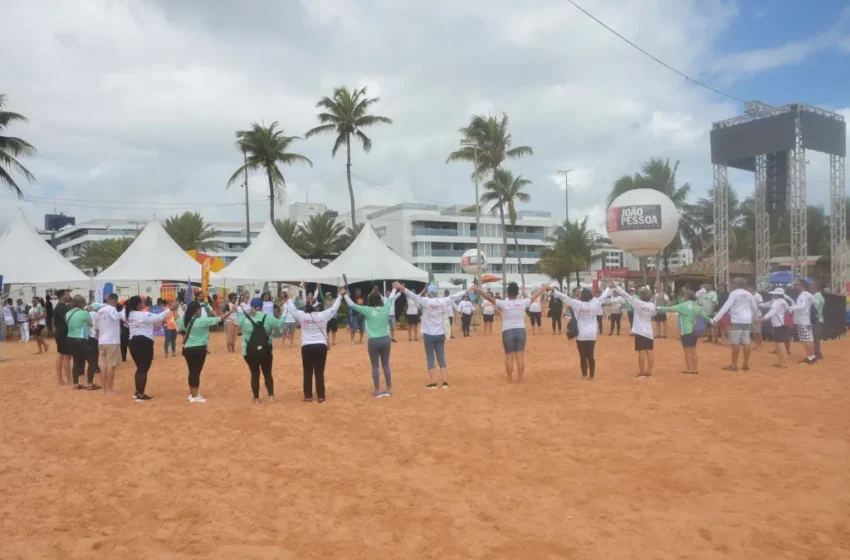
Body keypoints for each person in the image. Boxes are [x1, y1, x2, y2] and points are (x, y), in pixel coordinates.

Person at [397, 282, 465, 389]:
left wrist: (402, 288)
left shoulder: (425, 301)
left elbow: (412, 295)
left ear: (428, 293)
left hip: (428, 334)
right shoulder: (443, 301)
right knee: (441, 357)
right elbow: (456, 296)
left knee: (430, 358)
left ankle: (433, 383)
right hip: (440, 334)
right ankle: (444, 382)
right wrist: (469, 289)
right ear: (436, 292)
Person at [475, 282, 546, 383]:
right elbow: (535, 296)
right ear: (517, 293)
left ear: (508, 293)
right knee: (520, 357)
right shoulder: (523, 302)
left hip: (507, 331)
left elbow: (488, 297)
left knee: (509, 357)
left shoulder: (503, 303)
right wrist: (543, 288)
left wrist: (479, 290)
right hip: (521, 330)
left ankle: (510, 379)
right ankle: (520, 379)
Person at [285, 288, 344, 403]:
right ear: (316, 308)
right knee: (319, 371)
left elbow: (292, 309)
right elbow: (334, 308)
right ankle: (321, 396)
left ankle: (308, 396)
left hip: (307, 346)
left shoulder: (302, 316)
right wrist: (340, 296)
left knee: (307, 372)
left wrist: (289, 299)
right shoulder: (323, 315)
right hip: (321, 346)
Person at [344, 287, 397, 397]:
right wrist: (394, 288)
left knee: (375, 366)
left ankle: (377, 390)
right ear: (380, 300)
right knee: (386, 365)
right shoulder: (385, 308)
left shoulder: (368, 310)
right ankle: (388, 389)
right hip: (385, 339)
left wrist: (344, 295)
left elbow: (352, 305)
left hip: (373, 341)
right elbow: (391, 298)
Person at [549, 285, 611, 380]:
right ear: (591, 296)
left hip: (581, 334)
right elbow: (603, 297)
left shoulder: (577, 304)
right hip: (592, 334)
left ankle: (584, 375)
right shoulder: (595, 303)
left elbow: (565, 298)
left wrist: (554, 291)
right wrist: (608, 288)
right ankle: (592, 376)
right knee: (590, 355)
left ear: (582, 296)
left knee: (583, 356)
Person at [177, 301, 232, 403]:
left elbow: (177, 321)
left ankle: (192, 393)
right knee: (196, 372)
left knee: (191, 371)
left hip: (188, 348)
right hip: (199, 349)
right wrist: (230, 312)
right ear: (197, 310)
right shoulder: (202, 321)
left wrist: (174, 310)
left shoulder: (185, 320)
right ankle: (194, 396)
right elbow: (219, 319)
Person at [125, 295, 176, 402]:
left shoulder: (129, 314)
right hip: (144, 342)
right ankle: (140, 394)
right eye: (142, 301)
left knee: (140, 368)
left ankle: (138, 392)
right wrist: (170, 309)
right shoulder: (143, 314)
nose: (144, 303)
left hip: (133, 342)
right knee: (143, 369)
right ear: (139, 304)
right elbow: (159, 317)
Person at [238, 298, 286, 404]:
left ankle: (256, 399)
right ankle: (271, 396)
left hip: (249, 351)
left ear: (251, 306)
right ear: (262, 307)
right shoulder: (267, 317)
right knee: (267, 373)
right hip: (265, 351)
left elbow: (238, 324)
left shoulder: (244, 317)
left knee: (255, 373)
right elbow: (279, 324)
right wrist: (283, 314)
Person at [658, 290, 713, 375]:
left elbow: (671, 308)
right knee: (693, 350)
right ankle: (695, 369)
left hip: (686, 330)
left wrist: (659, 308)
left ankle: (689, 369)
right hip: (695, 329)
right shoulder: (696, 306)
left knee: (687, 351)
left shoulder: (683, 305)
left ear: (687, 297)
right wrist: (712, 321)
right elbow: (704, 316)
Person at [712, 277, 759, 372]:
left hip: (737, 320)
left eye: (732, 282)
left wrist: (716, 318)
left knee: (736, 343)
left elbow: (726, 306)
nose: (731, 284)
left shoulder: (734, 294)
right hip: (747, 320)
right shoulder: (748, 294)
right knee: (746, 342)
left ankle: (734, 365)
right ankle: (745, 364)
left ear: (736, 284)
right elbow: (754, 308)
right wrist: (754, 318)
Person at [614, 284, 657, 378]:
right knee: (650, 351)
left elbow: (625, 295)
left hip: (639, 331)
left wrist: (616, 287)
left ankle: (642, 372)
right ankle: (649, 371)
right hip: (648, 331)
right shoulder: (652, 305)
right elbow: (654, 314)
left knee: (641, 352)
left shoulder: (637, 303)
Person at [65, 295, 100, 391]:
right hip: (81, 339)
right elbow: (90, 323)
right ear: (81, 304)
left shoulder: (68, 313)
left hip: (70, 339)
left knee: (76, 361)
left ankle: (76, 384)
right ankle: (90, 384)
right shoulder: (84, 313)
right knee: (92, 361)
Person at [94, 293, 123, 394]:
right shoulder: (112, 309)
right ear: (115, 300)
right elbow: (116, 317)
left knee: (103, 366)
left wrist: (99, 334)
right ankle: (110, 389)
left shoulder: (99, 310)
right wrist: (123, 312)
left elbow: (95, 325)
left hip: (102, 341)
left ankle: (103, 389)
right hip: (112, 341)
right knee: (111, 365)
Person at [758, 288, 792, 368]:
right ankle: (780, 361)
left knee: (780, 344)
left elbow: (771, 312)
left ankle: (784, 362)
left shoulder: (776, 302)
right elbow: (790, 311)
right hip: (784, 324)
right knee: (778, 343)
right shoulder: (784, 302)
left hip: (778, 325)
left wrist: (763, 319)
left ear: (776, 294)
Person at [789, 279, 817, 364]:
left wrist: (791, 308)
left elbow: (801, 306)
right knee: (809, 339)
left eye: (797, 285)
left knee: (806, 340)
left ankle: (810, 357)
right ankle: (812, 356)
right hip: (806, 320)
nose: (795, 286)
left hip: (802, 320)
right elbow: (817, 303)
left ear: (802, 286)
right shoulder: (809, 295)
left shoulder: (802, 295)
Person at [53, 289, 73, 385]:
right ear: (62, 296)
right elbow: (68, 319)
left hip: (61, 333)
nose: (69, 296)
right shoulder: (61, 307)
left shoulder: (62, 306)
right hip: (63, 334)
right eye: (67, 294)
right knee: (66, 357)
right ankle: (68, 380)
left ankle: (60, 380)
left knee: (61, 355)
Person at [811, 281, 825, 361]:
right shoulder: (819, 296)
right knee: (816, 337)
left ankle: (817, 353)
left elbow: (814, 308)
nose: (810, 288)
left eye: (812, 287)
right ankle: (817, 353)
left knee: (815, 337)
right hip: (819, 319)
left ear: (815, 288)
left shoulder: (816, 296)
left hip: (817, 320)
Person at [749, 285, 764, 350]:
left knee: (758, 331)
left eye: (748, 288)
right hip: (751, 316)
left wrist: (755, 308)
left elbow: (761, 304)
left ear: (752, 288)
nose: (747, 289)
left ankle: (760, 345)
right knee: (753, 332)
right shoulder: (749, 295)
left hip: (757, 315)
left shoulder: (758, 295)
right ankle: (756, 344)